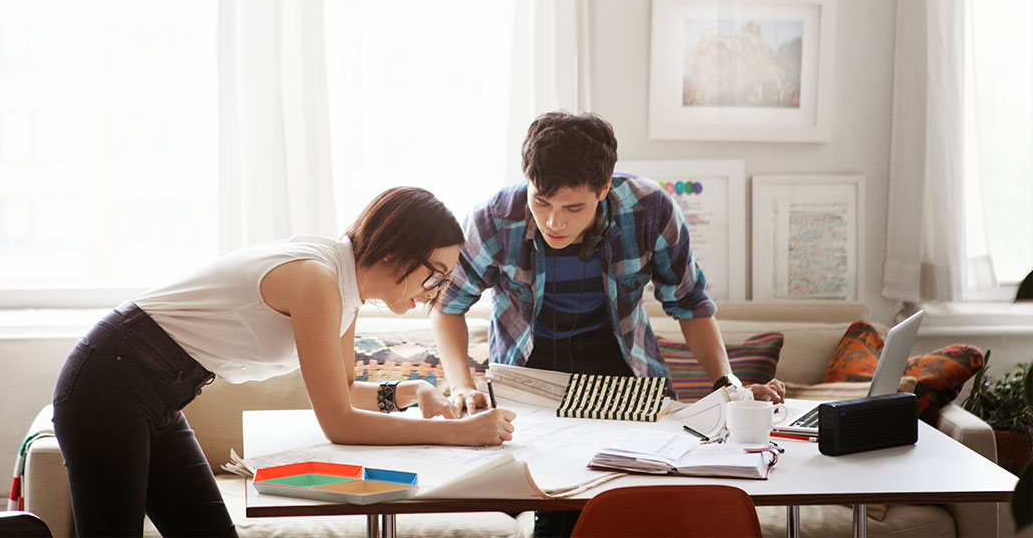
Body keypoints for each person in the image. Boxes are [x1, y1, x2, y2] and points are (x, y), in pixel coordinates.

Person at [53, 186, 516, 538]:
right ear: (395, 252)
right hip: (112, 379)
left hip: (155, 393)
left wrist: (415, 392)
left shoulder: (345, 290)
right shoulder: (317, 280)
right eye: (435, 276)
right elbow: (339, 423)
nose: (436, 294)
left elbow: (345, 391)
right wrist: (458, 434)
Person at [430, 111, 785, 538]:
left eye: (573, 207)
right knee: (558, 512)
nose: (554, 222)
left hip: (625, 381)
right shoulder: (493, 219)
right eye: (541, 202)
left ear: (603, 188)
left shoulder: (651, 210)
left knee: (640, 509)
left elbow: (690, 304)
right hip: (531, 387)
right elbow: (448, 305)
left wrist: (729, 385)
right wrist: (463, 384)